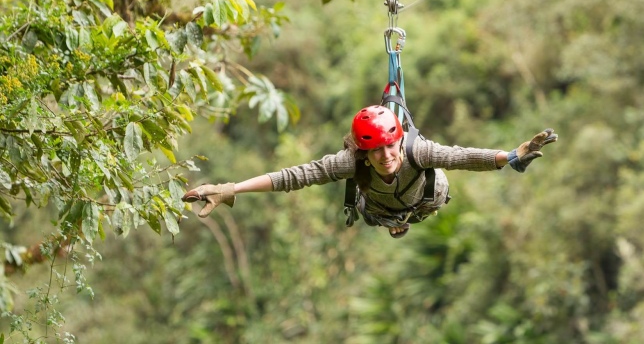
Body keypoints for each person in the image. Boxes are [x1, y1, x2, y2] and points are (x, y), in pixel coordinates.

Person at [182, 105, 558, 238]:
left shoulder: (417, 152)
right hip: (379, 209)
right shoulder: (352, 162)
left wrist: (511, 156)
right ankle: (393, 221)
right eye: (374, 151)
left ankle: (405, 218)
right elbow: (292, 177)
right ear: (364, 150)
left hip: (426, 201)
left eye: (389, 147)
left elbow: (462, 156)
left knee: (440, 179)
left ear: (398, 141)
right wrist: (229, 188)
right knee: (367, 209)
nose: (385, 157)